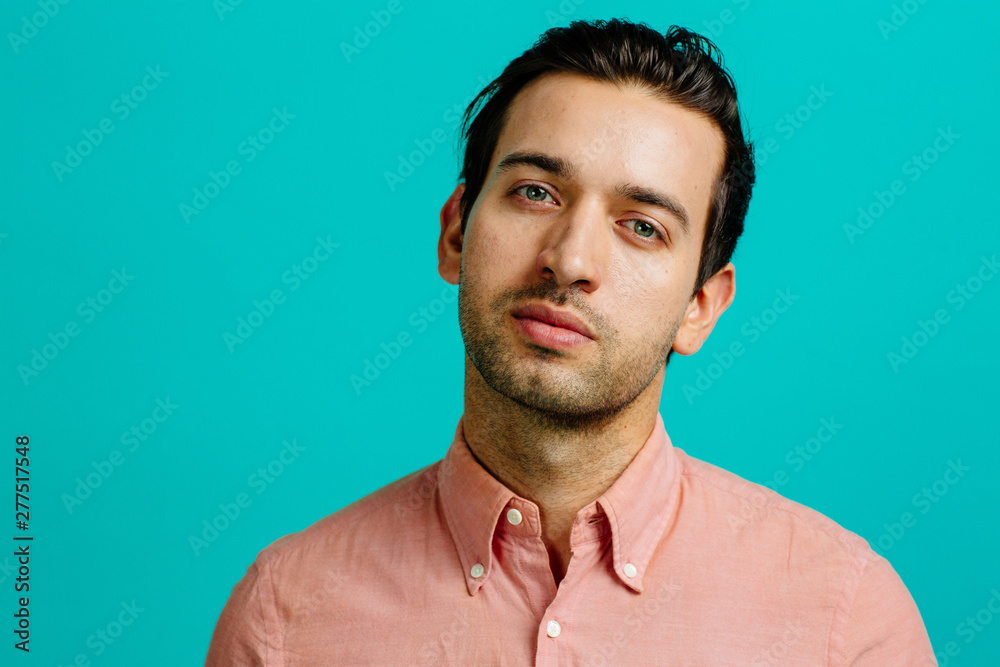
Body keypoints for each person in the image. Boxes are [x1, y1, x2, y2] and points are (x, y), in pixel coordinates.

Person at [205, 18, 936, 665]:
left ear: (701, 307)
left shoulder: (846, 620)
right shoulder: (286, 615)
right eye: (535, 193)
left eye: (642, 226)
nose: (571, 261)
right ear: (455, 231)